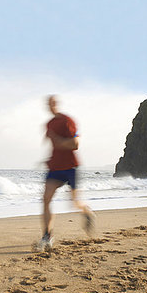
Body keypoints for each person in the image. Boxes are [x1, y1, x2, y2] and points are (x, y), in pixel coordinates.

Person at [35, 95, 95, 252]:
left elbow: (75, 144)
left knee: (74, 203)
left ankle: (87, 212)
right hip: (55, 168)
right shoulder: (48, 124)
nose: (50, 106)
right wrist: (48, 159)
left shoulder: (67, 121)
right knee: (46, 199)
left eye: (53, 103)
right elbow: (52, 145)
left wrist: (60, 142)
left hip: (70, 167)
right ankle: (47, 236)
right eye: (48, 103)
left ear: (57, 104)